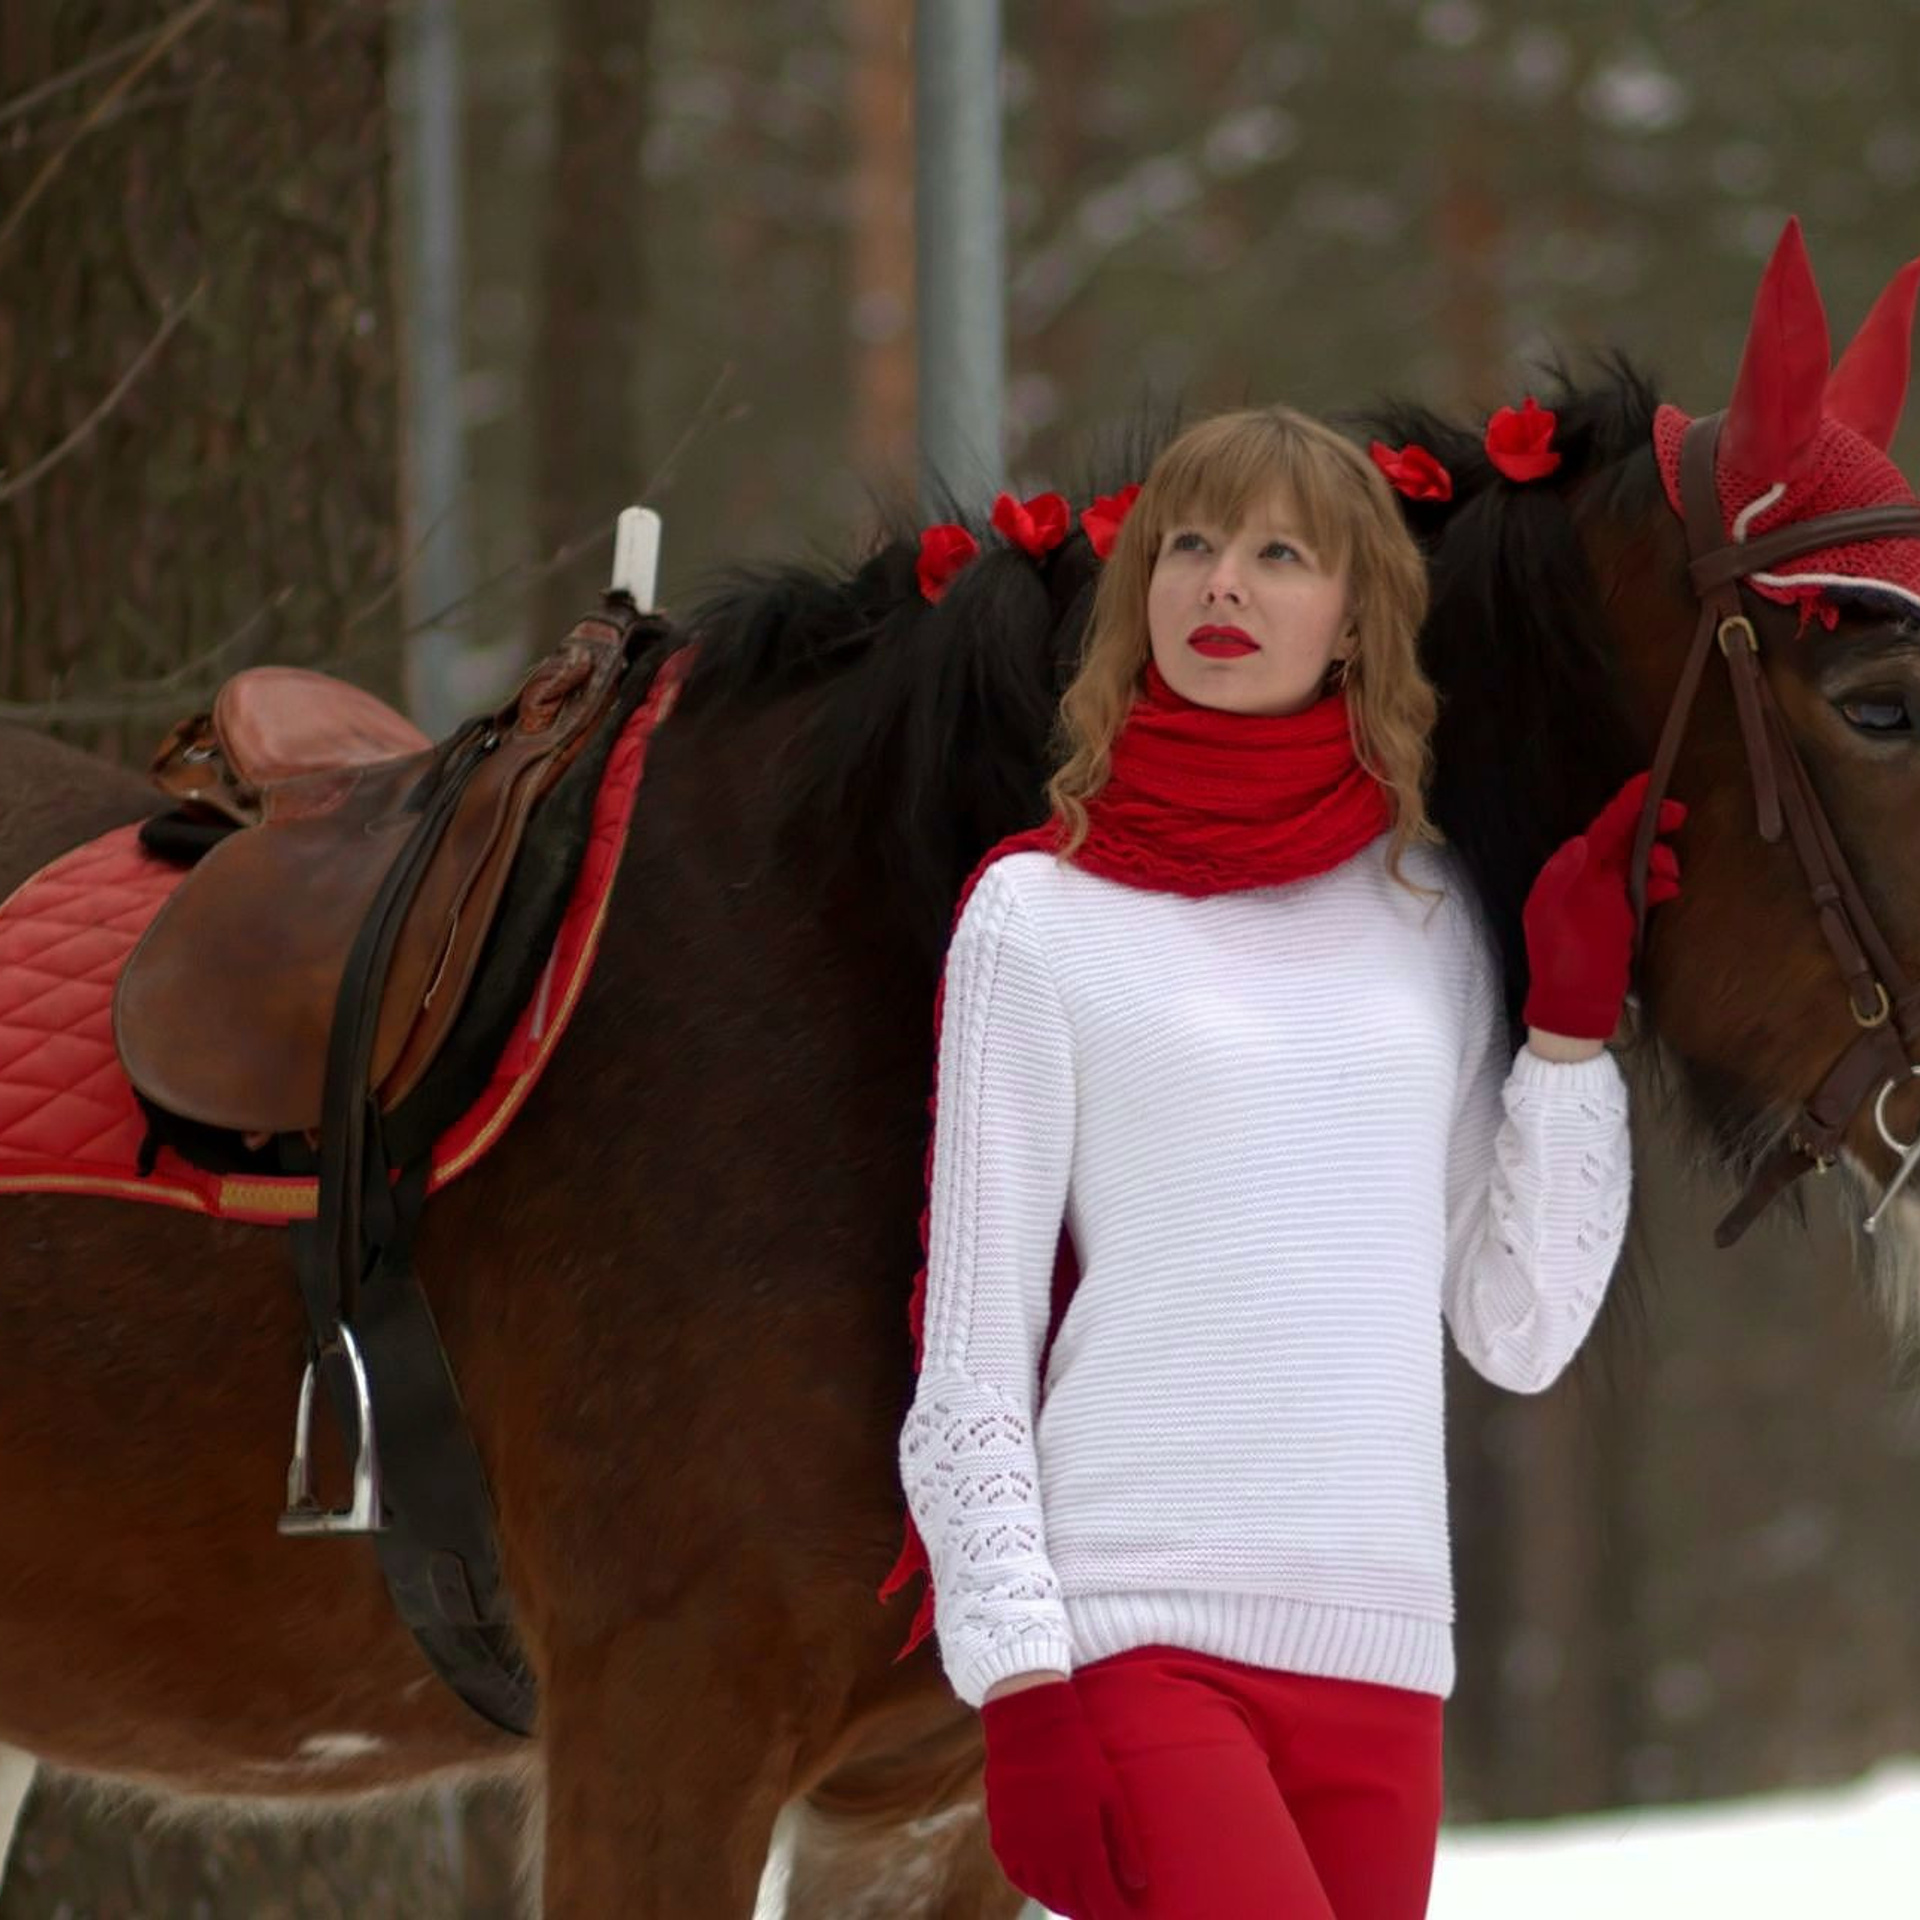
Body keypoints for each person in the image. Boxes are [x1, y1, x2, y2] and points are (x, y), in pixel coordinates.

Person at [895, 405, 1685, 1920]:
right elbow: (972, 1366)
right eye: (1189, 546)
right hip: (1139, 1636)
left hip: (1384, 1655)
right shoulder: (1040, 917)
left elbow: (1516, 1329)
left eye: (1278, 553)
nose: (1222, 586)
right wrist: (1021, 1687)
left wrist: (1573, 1041)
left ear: (1356, 618)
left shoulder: (1429, 918)